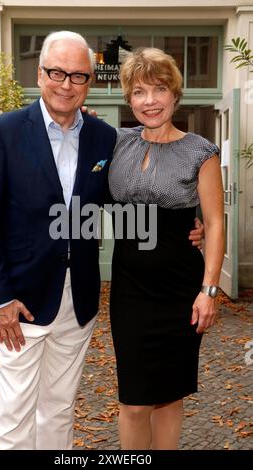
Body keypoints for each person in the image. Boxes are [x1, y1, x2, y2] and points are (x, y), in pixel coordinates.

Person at [0, 31, 203, 450]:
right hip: (20, 299)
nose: (66, 84)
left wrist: (191, 224)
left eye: (78, 75)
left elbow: (130, 198)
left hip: (77, 298)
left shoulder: (104, 138)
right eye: (57, 73)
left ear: (90, 81)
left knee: (60, 408)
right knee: (16, 412)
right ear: (39, 74)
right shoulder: (3, 131)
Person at [108, 48, 224, 450]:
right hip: (128, 290)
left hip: (179, 290)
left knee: (170, 395)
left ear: (175, 95)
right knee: (135, 401)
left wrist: (209, 290)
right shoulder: (116, 142)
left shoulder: (200, 151)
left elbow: (214, 222)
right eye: (139, 92)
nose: (150, 101)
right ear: (129, 99)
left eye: (159, 89)